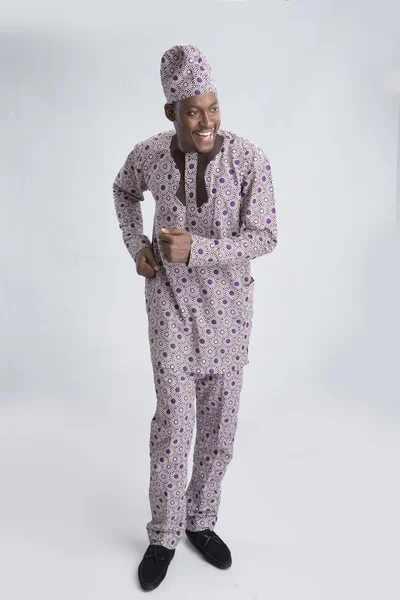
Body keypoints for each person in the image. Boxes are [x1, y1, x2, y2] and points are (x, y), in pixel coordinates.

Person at [112, 44, 278, 591]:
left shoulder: (249, 159)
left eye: (213, 108)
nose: (206, 121)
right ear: (171, 113)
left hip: (230, 312)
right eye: (192, 111)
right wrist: (137, 244)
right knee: (175, 424)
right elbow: (123, 190)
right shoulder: (151, 155)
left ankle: (200, 521)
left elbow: (266, 235)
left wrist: (197, 249)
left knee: (220, 427)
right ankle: (164, 533)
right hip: (171, 307)